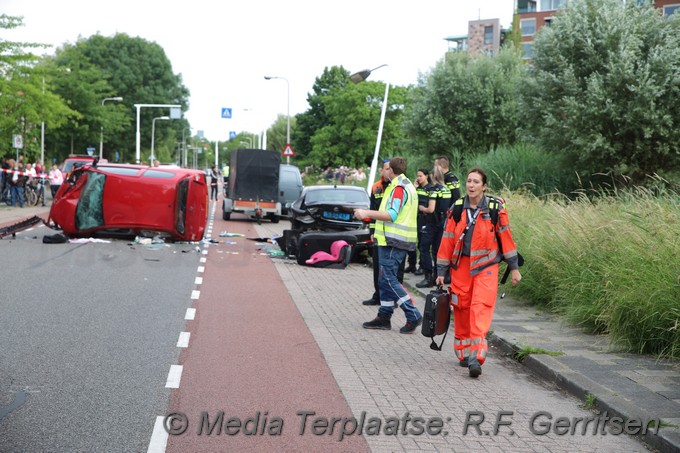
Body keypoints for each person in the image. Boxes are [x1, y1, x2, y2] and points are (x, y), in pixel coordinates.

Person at [435, 168, 522, 377]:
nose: (471, 185)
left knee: (479, 307)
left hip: (487, 266)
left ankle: (476, 356)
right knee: (462, 307)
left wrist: (514, 269)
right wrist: (441, 271)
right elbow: (447, 240)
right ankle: (464, 353)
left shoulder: (495, 208)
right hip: (461, 266)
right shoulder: (456, 209)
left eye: (476, 182)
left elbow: (506, 240)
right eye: (469, 181)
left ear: (484, 186)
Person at [354, 157, 423, 334]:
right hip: (392, 240)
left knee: (389, 279)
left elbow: (392, 215)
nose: (383, 172)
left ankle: (412, 314)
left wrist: (365, 213)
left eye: (385, 169)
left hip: (394, 241)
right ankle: (384, 316)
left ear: (391, 171)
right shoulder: (403, 185)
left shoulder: (398, 188)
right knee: (384, 279)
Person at [361, 160, 406, 306]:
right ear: (382, 171)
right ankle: (378, 295)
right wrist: (372, 231)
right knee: (378, 266)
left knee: (394, 270)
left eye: (389, 169)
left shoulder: (399, 187)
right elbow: (374, 210)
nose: (388, 172)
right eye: (385, 169)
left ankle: (396, 299)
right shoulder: (377, 188)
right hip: (380, 233)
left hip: (396, 234)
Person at [414, 168, 439, 289]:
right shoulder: (418, 189)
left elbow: (430, 208)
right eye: (417, 176)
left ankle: (429, 276)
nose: (418, 178)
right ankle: (423, 268)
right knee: (421, 246)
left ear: (427, 176)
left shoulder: (430, 189)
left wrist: (423, 209)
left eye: (420, 176)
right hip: (419, 220)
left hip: (428, 221)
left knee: (426, 248)